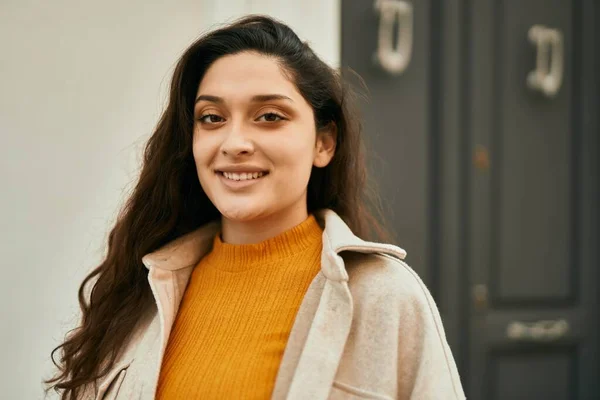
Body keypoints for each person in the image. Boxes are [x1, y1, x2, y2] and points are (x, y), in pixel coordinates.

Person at [46, 15, 465, 400]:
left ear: (324, 142)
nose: (234, 143)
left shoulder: (386, 298)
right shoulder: (141, 292)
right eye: (211, 118)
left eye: (268, 116)